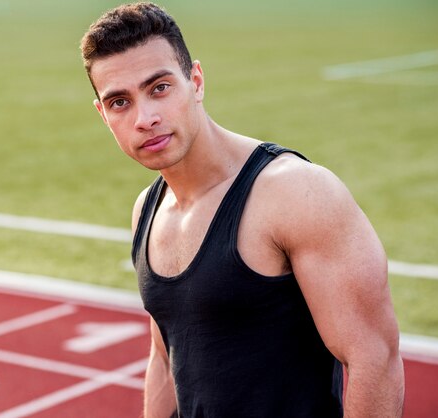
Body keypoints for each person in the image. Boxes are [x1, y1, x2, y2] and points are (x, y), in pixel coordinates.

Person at [80, 3, 404, 417]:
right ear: (103, 115)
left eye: (159, 87)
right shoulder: (148, 208)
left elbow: (373, 359)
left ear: (195, 81)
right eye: (120, 102)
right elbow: (164, 359)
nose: (145, 118)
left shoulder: (294, 192)